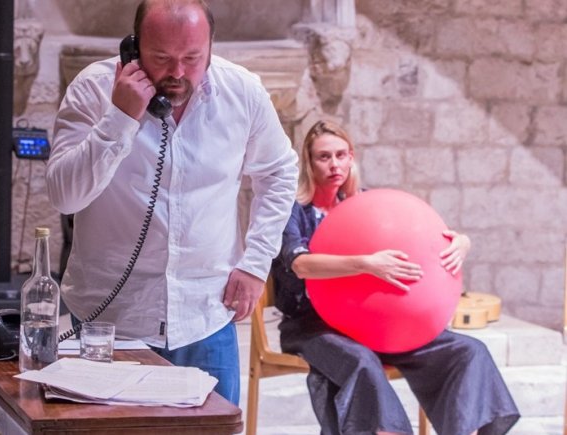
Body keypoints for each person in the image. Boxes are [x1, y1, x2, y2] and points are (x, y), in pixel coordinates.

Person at [46, 0, 298, 405]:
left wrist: (255, 263)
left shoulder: (242, 91)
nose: (177, 73)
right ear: (134, 48)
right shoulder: (93, 89)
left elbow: (280, 171)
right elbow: (65, 194)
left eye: (192, 58)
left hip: (205, 314)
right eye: (161, 58)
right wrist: (119, 118)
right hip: (110, 319)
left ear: (211, 48)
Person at [272, 120, 520, 435]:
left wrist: (462, 242)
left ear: (351, 157)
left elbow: (417, 238)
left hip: (379, 324)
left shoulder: (367, 204)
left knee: (469, 351)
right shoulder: (294, 210)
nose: (334, 164)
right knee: (361, 362)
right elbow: (301, 265)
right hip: (313, 325)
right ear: (309, 163)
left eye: (341, 155)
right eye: (324, 157)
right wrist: (366, 264)